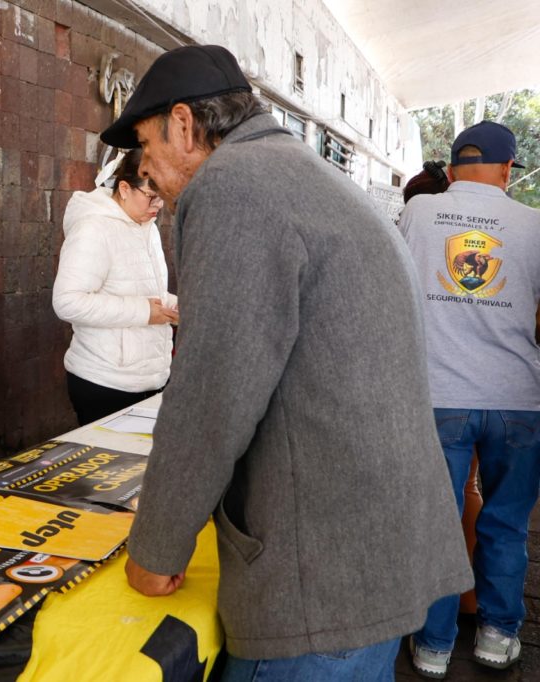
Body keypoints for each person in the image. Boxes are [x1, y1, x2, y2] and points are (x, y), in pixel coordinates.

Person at [100, 45, 472, 679]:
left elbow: (213, 394)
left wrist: (157, 548)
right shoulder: (301, 173)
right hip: (373, 553)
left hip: (319, 579)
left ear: (183, 124)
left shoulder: (234, 187)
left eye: (145, 144)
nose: (146, 168)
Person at [399, 121, 540, 677]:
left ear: (453, 166)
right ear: (507, 169)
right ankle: (498, 636)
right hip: (517, 398)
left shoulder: (418, 213)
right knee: (507, 522)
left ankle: (433, 645)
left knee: (438, 520)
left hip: (440, 395)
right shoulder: (533, 224)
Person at [52, 149, 178, 425]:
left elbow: (141, 290)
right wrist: (144, 312)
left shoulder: (148, 227)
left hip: (150, 377)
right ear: (124, 188)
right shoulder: (94, 229)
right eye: (151, 196)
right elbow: (67, 301)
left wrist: (173, 305)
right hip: (106, 382)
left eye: (163, 196)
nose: (158, 205)